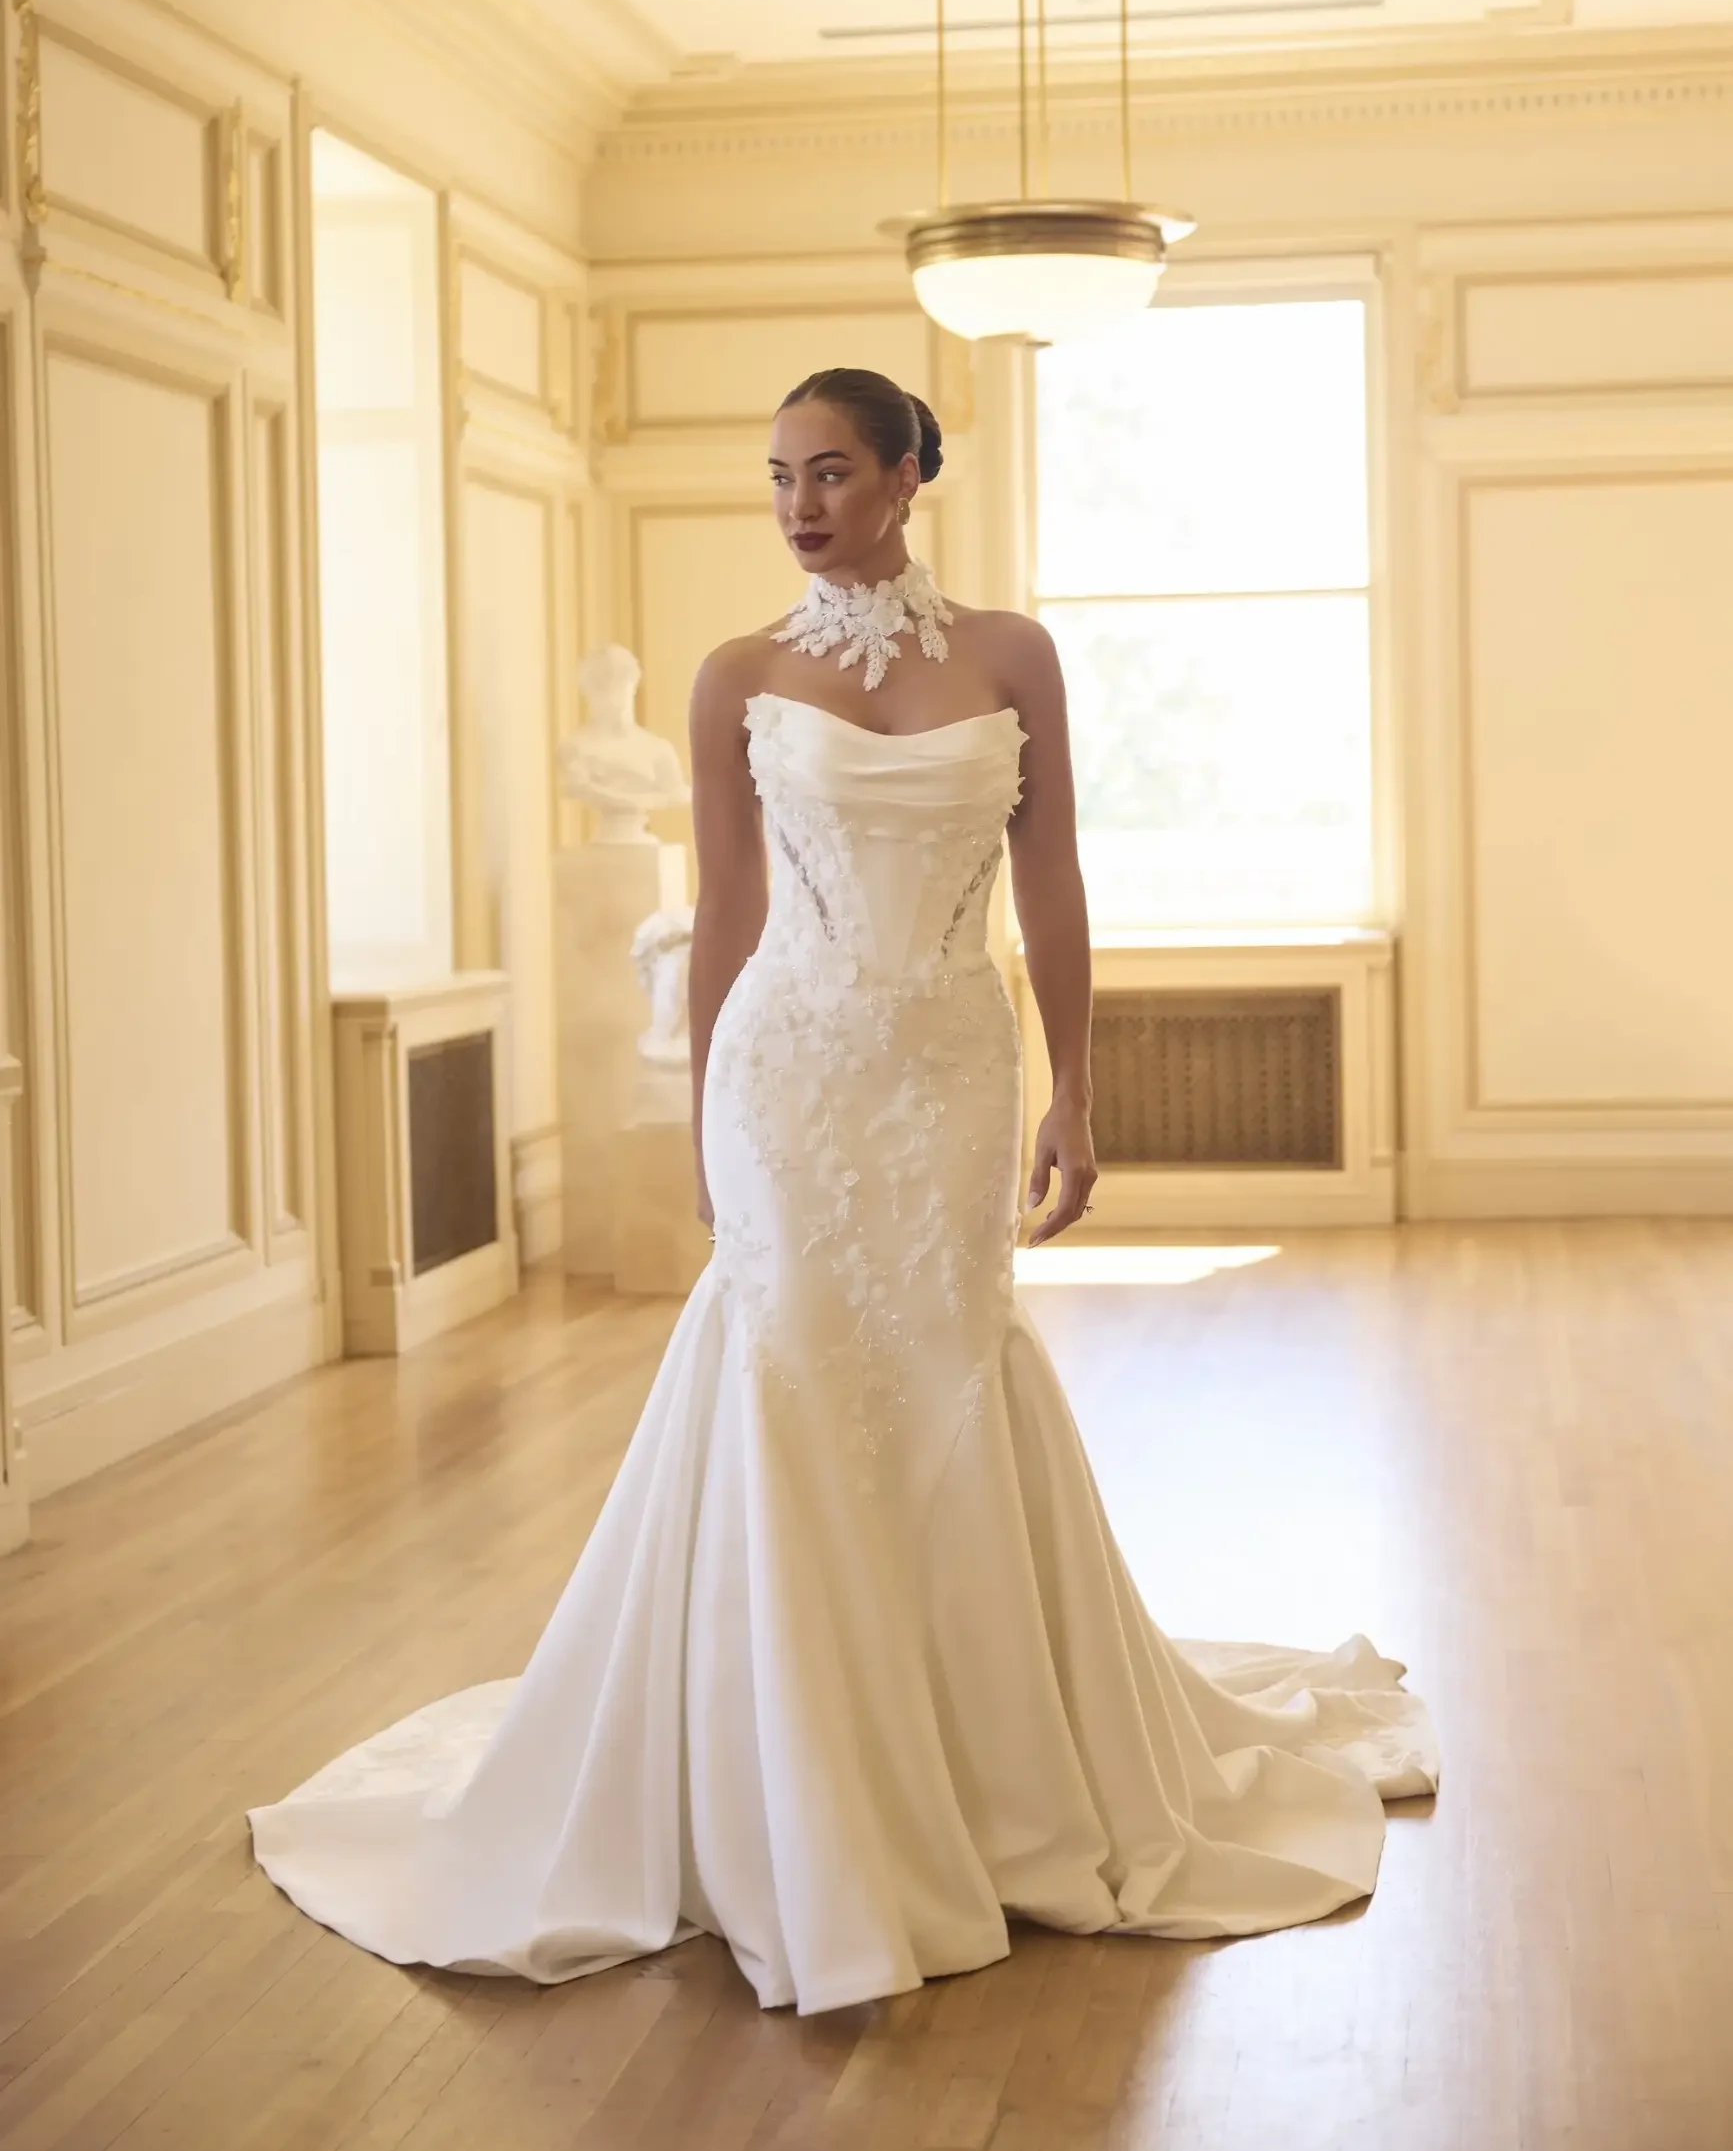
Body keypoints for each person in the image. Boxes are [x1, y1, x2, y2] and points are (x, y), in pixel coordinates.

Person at [249, 365, 1436, 2017]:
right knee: (791, 1366)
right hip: (788, 1075)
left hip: (954, 1064)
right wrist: (700, 1108)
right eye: (778, 475)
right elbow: (727, 912)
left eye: (830, 473)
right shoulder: (739, 675)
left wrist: (1078, 1091)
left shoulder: (1013, 655)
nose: (800, 505)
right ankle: (793, 1795)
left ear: (907, 478)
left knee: (945, 1369)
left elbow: (1055, 874)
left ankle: (979, 1764)